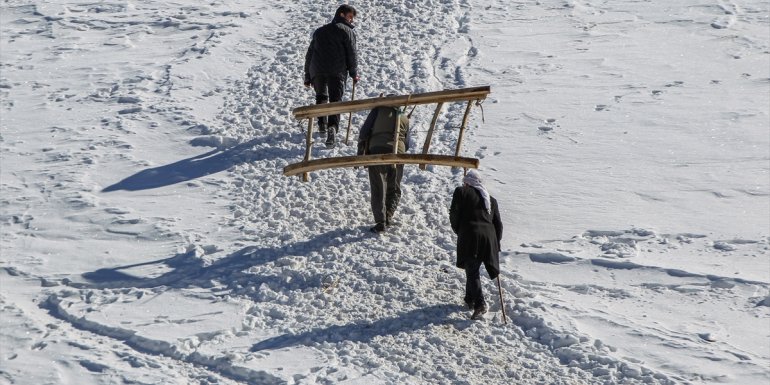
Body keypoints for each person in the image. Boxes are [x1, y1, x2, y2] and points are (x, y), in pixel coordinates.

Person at [449, 170, 503, 320]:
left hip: (471, 235)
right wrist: (496, 244)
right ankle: (469, 298)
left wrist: (459, 229)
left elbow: (454, 213)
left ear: (467, 182)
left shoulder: (461, 192)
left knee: (472, 270)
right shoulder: (491, 200)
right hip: (489, 238)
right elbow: (498, 224)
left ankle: (480, 303)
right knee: (472, 267)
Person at [304, 4, 360, 148]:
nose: (351, 21)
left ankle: (322, 124)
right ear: (341, 15)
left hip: (317, 70)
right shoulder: (347, 31)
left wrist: (307, 76)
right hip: (337, 71)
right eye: (350, 17)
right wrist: (353, 73)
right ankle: (332, 128)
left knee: (321, 97)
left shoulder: (319, 31)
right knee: (336, 100)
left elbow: (310, 54)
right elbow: (351, 53)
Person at [357, 105, 411, 233]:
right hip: (399, 154)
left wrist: (360, 150)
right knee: (395, 186)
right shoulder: (404, 116)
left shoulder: (377, 110)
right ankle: (388, 215)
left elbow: (364, 131)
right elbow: (407, 143)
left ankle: (381, 221)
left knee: (379, 186)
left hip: (378, 150)